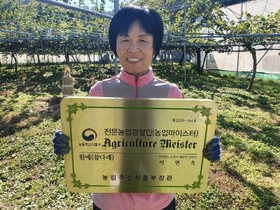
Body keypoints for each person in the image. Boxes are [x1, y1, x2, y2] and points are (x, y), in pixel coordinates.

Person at [53, 5, 221, 210]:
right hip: (109, 203)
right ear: (115, 45)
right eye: (125, 40)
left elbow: (181, 143)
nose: (133, 49)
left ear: (155, 47)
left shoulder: (172, 94)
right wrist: (70, 142)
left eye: (142, 40)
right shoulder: (99, 91)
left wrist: (203, 149)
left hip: (159, 203)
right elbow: (90, 141)